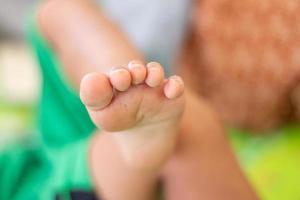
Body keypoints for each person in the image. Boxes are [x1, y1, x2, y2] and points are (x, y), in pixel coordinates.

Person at [0, 0, 258, 199]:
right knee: (186, 127)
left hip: (38, 156)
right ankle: (131, 115)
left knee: (57, 11)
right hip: (37, 189)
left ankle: (119, 82)